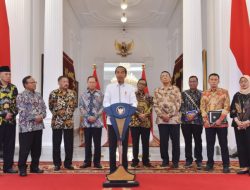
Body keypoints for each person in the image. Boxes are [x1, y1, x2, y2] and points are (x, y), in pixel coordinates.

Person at [103, 66, 137, 173]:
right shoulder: (109, 87)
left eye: (122, 72)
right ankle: (112, 170)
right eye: (117, 72)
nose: (120, 74)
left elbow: (134, 103)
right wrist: (114, 114)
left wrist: (126, 114)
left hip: (125, 122)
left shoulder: (131, 88)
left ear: (125, 75)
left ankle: (125, 170)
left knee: (124, 146)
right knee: (112, 147)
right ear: (115, 74)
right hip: (112, 122)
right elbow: (106, 103)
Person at [200, 73, 230, 173]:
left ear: (218, 81)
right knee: (210, 144)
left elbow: (227, 107)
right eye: (211, 79)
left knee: (223, 144)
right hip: (208, 124)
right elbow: (202, 108)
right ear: (209, 81)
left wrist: (220, 119)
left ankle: (226, 165)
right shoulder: (204, 93)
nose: (213, 81)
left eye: (215, 79)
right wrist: (205, 120)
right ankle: (209, 164)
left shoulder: (224, 92)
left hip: (221, 123)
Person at [17, 76, 46, 176]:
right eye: (32, 82)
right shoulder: (21, 96)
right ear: (26, 84)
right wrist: (35, 117)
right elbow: (22, 111)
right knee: (25, 149)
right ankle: (22, 168)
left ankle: (34, 167)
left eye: (35, 82)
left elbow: (44, 108)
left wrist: (42, 116)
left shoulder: (38, 95)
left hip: (38, 126)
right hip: (26, 127)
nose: (34, 83)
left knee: (36, 149)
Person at [153, 71, 181, 168]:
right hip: (161, 120)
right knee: (164, 141)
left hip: (174, 119)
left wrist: (169, 115)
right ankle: (165, 160)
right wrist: (162, 115)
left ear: (170, 78)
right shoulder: (157, 90)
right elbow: (155, 104)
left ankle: (175, 161)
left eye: (166, 76)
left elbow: (178, 103)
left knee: (175, 141)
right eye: (162, 76)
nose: (164, 77)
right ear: (160, 79)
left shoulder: (176, 89)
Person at [49, 76, 77, 171]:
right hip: (57, 122)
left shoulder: (72, 93)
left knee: (69, 144)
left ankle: (68, 163)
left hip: (68, 122)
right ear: (59, 83)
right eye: (64, 81)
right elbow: (51, 106)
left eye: (67, 81)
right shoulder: (53, 93)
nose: (66, 83)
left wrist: (67, 114)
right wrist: (60, 113)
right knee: (56, 144)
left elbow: (74, 106)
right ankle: (57, 164)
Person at [79, 76, 104, 169]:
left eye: (93, 82)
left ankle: (97, 162)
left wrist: (95, 116)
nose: (91, 84)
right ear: (87, 83)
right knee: (87, 143)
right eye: (90, 82)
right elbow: (81, 107)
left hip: (97, 123)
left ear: (96, 83)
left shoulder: (101, 94)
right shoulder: (83, 94)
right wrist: (87, 116)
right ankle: (87, 162)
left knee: (97, 144)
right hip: (86, 122)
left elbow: (103, 107)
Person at [180, 76, 203, 169]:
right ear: (188, 83)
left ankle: (199, 160)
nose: (192, 83)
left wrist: (195, 114)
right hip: (186, 121)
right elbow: (180, 106)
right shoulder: (183, 94)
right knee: (187, 141)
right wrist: (187, 114)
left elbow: (203, 106)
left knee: (198, 141)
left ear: (197, 83)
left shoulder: (202, 93)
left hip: (197, 121)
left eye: (194, 81)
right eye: (190, 81)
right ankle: (188, 160)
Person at [130, 79, 153, 168]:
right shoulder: (132, 96)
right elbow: (130, 106)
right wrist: (139, 114)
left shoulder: (149, 97)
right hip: (134, 122)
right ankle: (135, 161)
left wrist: (145, 114)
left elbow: (151, 108)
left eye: (143, 84)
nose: (141, 85)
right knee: (135, 143)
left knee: (145, 143)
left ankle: (146, 161)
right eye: (140, 83)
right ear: (137, 84)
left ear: (145, 86)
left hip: (145, 122)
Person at [230, 75, 250, 175]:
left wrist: (247, 122)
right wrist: (238, 122)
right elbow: (232, 110)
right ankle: (245, 167)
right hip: (238, 125)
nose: (243, 83)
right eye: (241, 81)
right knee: (241, 145)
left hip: (249, 124)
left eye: (245, 81)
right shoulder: (237, 95)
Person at [0, 66, 18, 173]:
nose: (8, 76)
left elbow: (17, 104)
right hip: (1, 120)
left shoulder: (13, 88)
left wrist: (12, 113)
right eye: (6, 74)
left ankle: (8, 167)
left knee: (9, 145)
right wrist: (3, 114)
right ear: (0, 74)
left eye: (9, 74)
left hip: (11, 121)